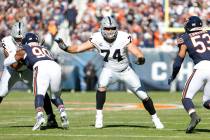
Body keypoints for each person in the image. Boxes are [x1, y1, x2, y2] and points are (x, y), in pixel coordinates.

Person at [55, 16, 164, 129]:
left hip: (126, 70)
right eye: (107, 28)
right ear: (102, 28)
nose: (110, 31)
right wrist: (65, 48)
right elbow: (78, 48)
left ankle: (156, 119)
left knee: (143, 96)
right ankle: (99, 117)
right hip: (109, 69)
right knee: (101, 85)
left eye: (112, 28)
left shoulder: (123, 36)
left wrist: (141, 58)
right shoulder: (97, 38)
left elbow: (137, 52)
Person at [4, 32, 69, 130]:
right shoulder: (44, 48)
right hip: (55, 67)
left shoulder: (24, 49)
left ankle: (40, 117)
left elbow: (7, 62)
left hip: (40, 67)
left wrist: (17, 56)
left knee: (39, 94)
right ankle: (63, 112)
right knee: (55, 96)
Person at [0, 21, 58, 128]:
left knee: (41, 90)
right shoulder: (6, 41)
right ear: (12, 35)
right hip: (12, 70)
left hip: (27, 69)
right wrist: (25, 57)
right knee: (1, 92)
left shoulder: (33, 39)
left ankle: (51, 117)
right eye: (16, 39)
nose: (19, 41)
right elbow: (14, 66)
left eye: (21, 39)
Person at [168, 16, 210, 133]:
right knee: (207, 103)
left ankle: (194, 116)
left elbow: (179, 60)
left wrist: (173, 75)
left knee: (186, 97)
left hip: (201, 67)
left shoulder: (184, 38)